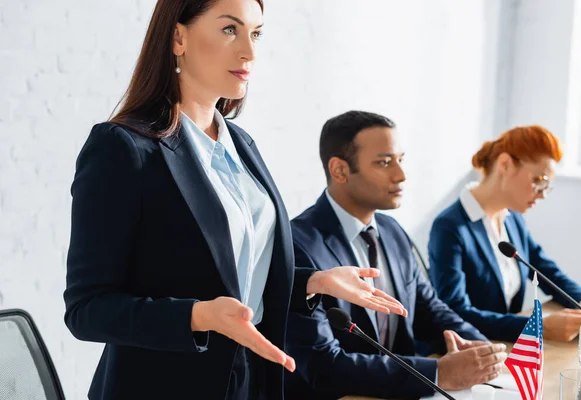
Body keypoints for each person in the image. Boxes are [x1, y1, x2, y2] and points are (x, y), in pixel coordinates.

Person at [63, 2, 405, 399]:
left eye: (256, 33)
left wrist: (312, 282)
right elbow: (87, 309)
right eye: (230, 30)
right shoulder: (123, 148)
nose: (250, 52)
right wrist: (198, 316)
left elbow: (233, 271)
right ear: (178, 37)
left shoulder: (241, 145)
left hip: (250, 378)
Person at [284, 111, 506, 400]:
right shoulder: (297, 245)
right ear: (339, 170)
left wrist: (479, 349)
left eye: (400, 159)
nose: (400, 175)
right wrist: (439, 373)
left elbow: (430, 308)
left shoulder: (391, 230)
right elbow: (324, 366)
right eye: (384, 162)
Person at [428, 125, 581, 343]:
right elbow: (455, 312)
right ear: (505, 164)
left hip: (507, 347)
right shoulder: (449, 227)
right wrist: (536, 327)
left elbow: (546, 271)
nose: (543, 194)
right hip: (470, 350)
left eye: (547, 186)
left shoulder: (513, 218)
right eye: (538, 181)